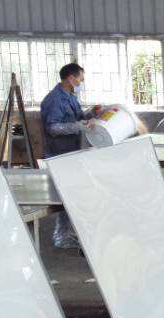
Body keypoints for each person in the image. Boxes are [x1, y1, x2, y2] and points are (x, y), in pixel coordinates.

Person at [40, 62, 102, 249]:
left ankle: (67, 232)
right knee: (65, 195)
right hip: (59, 154)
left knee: (74, 193)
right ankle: (61, 236)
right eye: (80, 79)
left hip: (71, 151)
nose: (81, 83)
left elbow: (77, 117)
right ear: (70, 78)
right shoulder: (54, 100)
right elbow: (53, 128)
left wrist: (91, 113)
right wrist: (78, 127)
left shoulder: (70, 96)